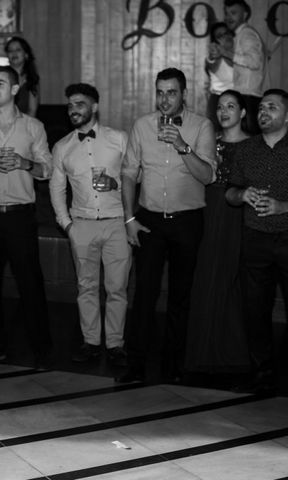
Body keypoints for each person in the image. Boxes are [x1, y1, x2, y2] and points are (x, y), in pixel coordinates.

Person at [119, 68, 216, 384]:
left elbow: (208, 176)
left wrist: (182, 146)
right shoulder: (142, 126)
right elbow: (129, 174)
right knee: (143, 294)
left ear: (184, 94)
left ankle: (172, 366)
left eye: (171, 92)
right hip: (148, 221)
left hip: (187, 222)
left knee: (180, 296)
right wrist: (129, 219)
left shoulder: (201, 126)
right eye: (160, 92)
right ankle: (135, 366)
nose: (164, 99)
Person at [0, 65, 53, 367]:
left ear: (15, 89)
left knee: (30, 283)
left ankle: (41, 348)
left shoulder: (33, 127)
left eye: (0, 84)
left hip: (20, 215)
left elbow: (47, 170)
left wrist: (24, 162)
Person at [49, 83, 130, 367]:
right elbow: (56, 190)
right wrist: (67, 226)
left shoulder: (119, 139)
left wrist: (116, 183)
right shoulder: (62, 147)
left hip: (117, 222)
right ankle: (91, 342)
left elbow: (137, 177)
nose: (74, 110)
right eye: (70, 105)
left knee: (117, 288)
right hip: (81, 225)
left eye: (80, 104)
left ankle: (117, 343)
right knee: (86, 288)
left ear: (94, 107)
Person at [225, 88, 288, 393]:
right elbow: (230, 192)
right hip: (255, 239)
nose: (264, 112)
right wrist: (242, 194)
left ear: (287, 115)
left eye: (272, 107)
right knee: (255, 309)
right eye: (261, 107)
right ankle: (261, 370)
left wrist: (283, 206)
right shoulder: (247, 149)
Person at [186, 89, 250, 375]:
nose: (224, 112)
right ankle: (203, 351)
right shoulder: (209, 143)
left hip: (238, 217)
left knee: (232, 278)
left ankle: (233, 354)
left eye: (231, 106)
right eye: (221, 107)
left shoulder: (255, 145)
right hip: (208, 210)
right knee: (205, 276)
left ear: (243, 113)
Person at [221, 0, 267, 133]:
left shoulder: (247, 34)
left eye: (233, 13)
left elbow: (254, 62)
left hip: (249, 98)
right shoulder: (241, 34)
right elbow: (239, 65)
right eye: (226, 13)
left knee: (248, 143)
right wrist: (224, 51)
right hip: (246, 96)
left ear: (245, 14)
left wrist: (226, 52)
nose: (228, 17)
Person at [205, 22, 235, 129]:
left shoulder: (240, 55)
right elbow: (210, 62)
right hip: (218, 100)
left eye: (226, 33)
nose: (224, 37)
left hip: (238, 100)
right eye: (220, 36)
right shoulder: (215, 56)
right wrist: (215, 54)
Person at [5, 36, 40, 117]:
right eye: (10, 51)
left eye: (18, 50)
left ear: (26, 54)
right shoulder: (0, 76)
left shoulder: (32, 79)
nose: (14, 53)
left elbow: (32, 111)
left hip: (25, 124)